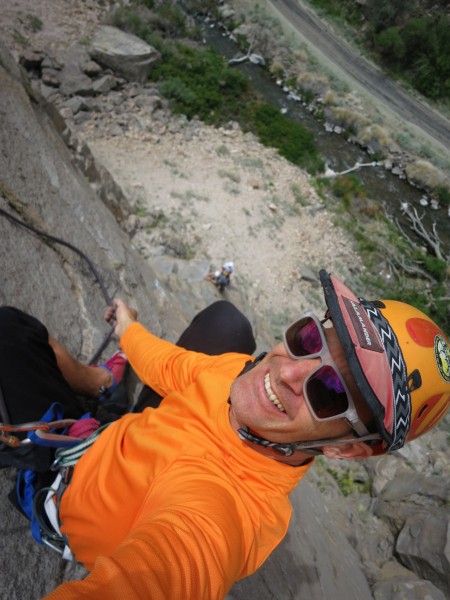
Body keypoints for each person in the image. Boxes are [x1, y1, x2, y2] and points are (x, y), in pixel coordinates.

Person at [0, 269, 449, 599]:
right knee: (227, 324)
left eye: (331, 391)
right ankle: (102, 383)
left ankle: (52, 492)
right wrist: (128, 329)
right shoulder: (239, 374)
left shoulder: (228, 508)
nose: (286, 370)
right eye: (309, 338)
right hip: (115, 438)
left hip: (72, 483)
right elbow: (173, 366)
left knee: (10, 331)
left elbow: (178, 563)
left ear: (345, 447)